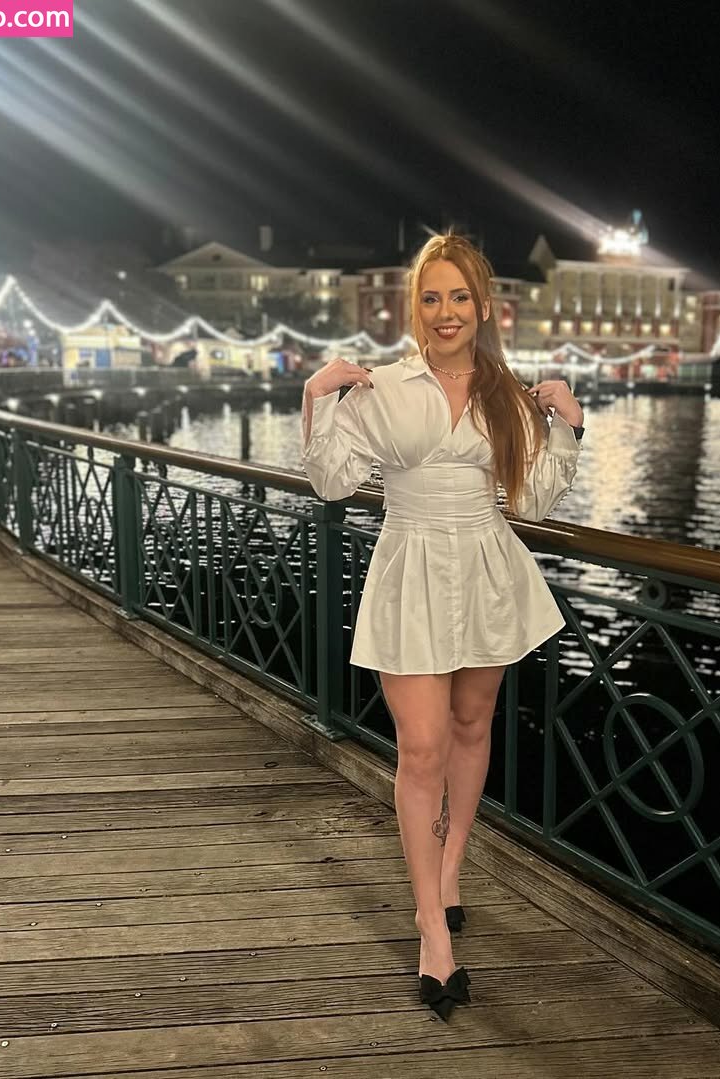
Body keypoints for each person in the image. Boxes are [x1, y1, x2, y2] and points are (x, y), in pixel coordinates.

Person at [301, 233, 584, 1021]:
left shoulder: (508, 395)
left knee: (470, 725)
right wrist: (317, 395)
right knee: (421, 746)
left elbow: (531, 501)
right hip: (411, 567)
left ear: (483, 306)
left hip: (487, 568)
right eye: (431, 297)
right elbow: (330, 482)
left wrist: (568, 423)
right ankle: (431, 923)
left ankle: (452, 865)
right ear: (414, 307)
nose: (446, 311)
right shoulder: (383, 387)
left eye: (460, 296)